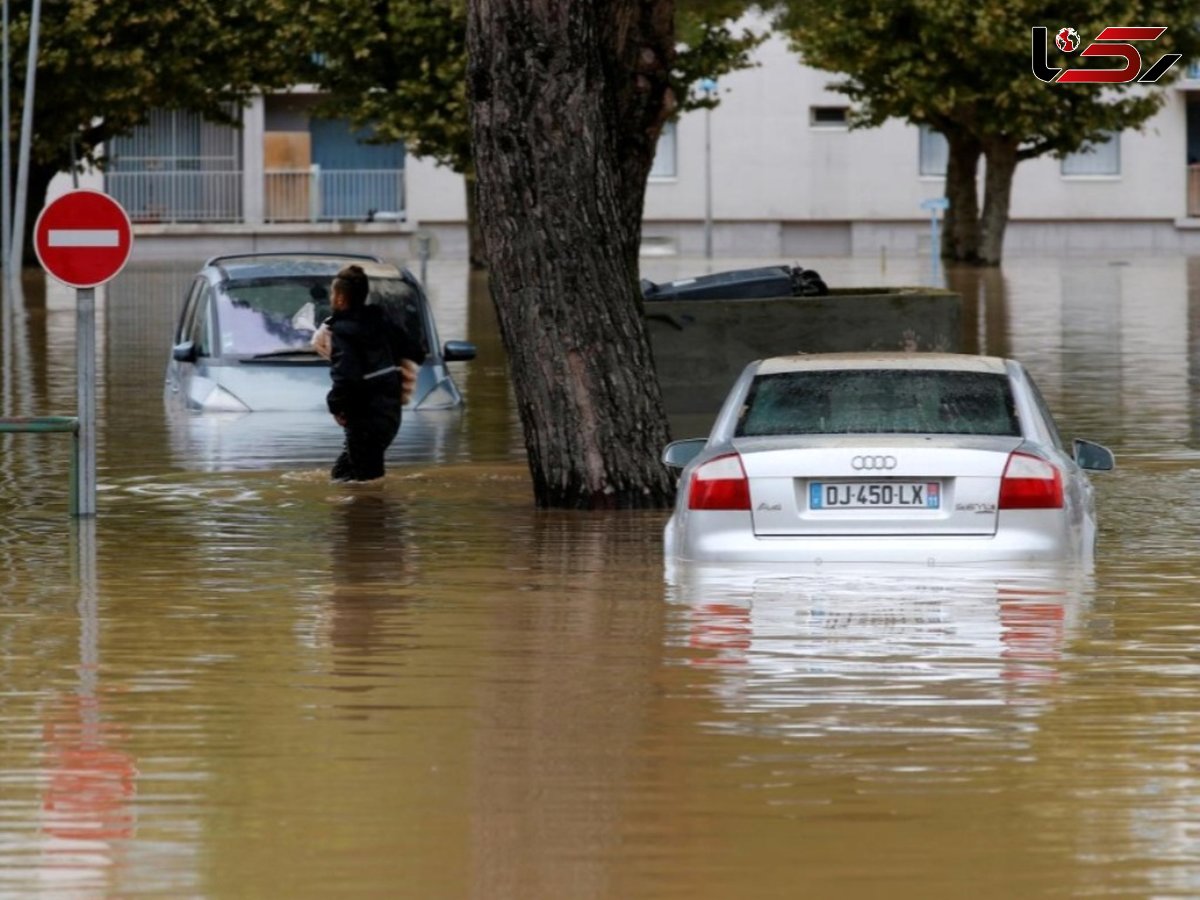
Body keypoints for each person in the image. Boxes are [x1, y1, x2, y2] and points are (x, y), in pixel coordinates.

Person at [322, 264, 426, 482]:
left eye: (332, 293)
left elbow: (346, 376)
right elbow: (416, 352)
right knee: (342, 476)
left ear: (340, 298)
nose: (331, 298)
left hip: (364, 416)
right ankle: (368, 512)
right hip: (389, 414)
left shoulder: (343, 331)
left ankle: (375, 513)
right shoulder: (381, 324)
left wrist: (335, 405)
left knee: (366, 484)